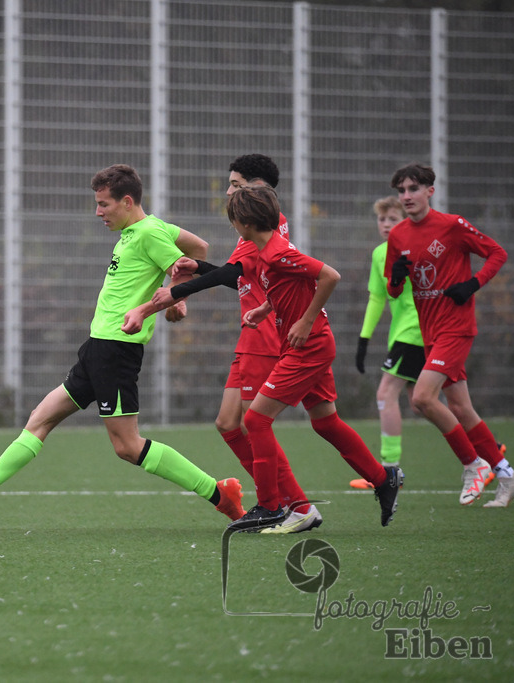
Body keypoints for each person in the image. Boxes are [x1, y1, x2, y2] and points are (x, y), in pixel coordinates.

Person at [0, 164, 245, 524]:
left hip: (116, 350)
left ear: (127, 201)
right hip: (96, 348)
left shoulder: (149, 232)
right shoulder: (149, 229)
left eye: (104, 205)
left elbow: (190, 261)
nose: (98, 212)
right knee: (39, 420)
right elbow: (196, 247)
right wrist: (173, 291)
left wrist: (173, 297)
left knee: (127, 446)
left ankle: (219, 493)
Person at [154, 185, 403, 530]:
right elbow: (283, 284)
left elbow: (329, 276)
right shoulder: (266, 251)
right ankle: (382, 478)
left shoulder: (275, 252)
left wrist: (305, 319)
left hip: (309, 345)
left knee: (255, 421)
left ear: (243, 223)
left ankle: (271, 506)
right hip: (303, 342)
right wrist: (265, 308)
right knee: (324, 420)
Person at [154, 155, 321, 534]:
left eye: (235, 184)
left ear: (257, 188)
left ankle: (288, 504)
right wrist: (196, 269)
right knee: (230, 423)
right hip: (251, 332)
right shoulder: (255, 228)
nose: (228, 190)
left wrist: (173, 293)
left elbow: (233, 274)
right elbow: (236, 279)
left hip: (263, 336)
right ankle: (287, 504)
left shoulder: (262, 227)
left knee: (253, 422)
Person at [385, 163, 513, 507]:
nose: (406, 196)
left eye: (413, 189)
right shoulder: (397, 236)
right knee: (460, 407)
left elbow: (497, 253)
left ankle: (474, 465)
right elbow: (394, 292)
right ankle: (506, 474)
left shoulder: (452, 226)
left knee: (422, 398)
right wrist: (396, 278)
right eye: (401, 190)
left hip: (456, 328)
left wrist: (472, 284)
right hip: (431, 333)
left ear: (430, 191)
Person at [351, 196, 425, 489]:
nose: (385, 224)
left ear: (405, 222)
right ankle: (486, 452)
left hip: (416, 332)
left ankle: (388, 471)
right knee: (423, 404)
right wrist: (363, 339)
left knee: (385, 393)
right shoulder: (380, 253)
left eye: (392, 219)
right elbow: (377, 297)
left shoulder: (413, 250)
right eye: (382, 219)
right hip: (404, 334)